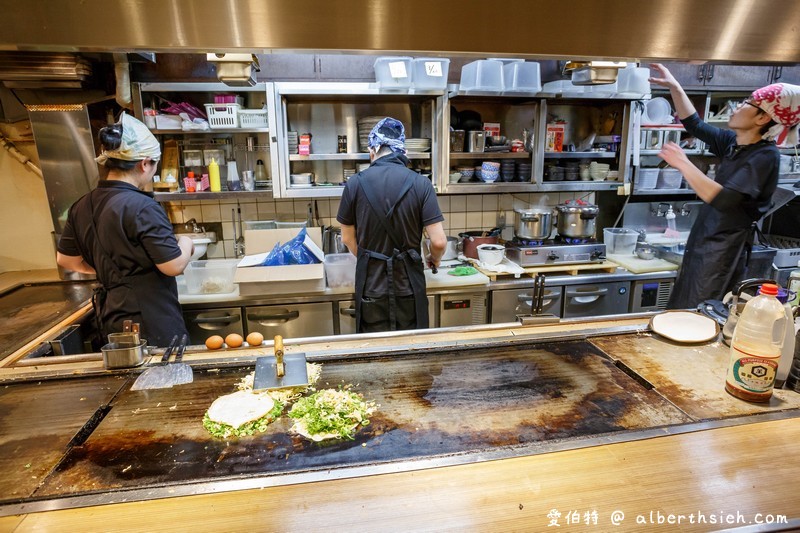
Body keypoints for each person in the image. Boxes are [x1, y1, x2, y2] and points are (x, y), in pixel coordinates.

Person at [649, 63, 800, 309]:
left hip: (721, 253)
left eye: (745, 104)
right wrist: (675, 87)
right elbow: (694, 125)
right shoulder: (736, 143)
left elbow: (723, 199)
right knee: (681, 311)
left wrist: (683, 164)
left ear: (763, 117)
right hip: (704, 243)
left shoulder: (764, 157)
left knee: (698, 315)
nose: (736, 107)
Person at [57, 112, 193, 346]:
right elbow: (172, 266)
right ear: (144, 163)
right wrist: (186, 243)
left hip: (112, 318)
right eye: (154, 165)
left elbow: (67, 260)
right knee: (167, 379)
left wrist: (114, 272)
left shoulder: (82, 205)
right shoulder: (142, 206)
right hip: (152, 321)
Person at [336, 117, 446, 333]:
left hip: (371, 287)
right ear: (402, 151)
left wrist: (370, 259)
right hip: (409, 288)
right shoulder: (421, 184)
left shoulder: (355, 184)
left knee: (376, 354)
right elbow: (439, 242)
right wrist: (434, 259)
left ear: (373, 151)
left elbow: (347, 238)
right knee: (412, 352)